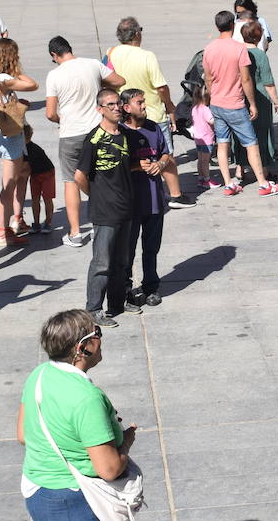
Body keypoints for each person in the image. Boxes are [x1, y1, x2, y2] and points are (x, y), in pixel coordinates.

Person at [19, 309, 135, 521]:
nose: (101, 339)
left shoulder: (39, 376)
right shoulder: (86, 398)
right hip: (76, 504)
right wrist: (125, 446)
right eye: (97, 332)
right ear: (83, 347)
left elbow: (23, 435)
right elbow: (109, 469)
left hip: (39, 494)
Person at [76, 88, 147, 328]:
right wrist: (95, 195)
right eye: (110, 105)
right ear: (100, 110)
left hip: (125, 207)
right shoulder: (93, 139)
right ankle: (93, 309)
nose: (116, 108)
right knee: (102, 262)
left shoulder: (125, 136)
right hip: (105, 211)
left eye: (118, 104)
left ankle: (116, 303)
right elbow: (79, 176)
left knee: (121, 261)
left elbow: (124, 167)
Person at [104, 17, 194, 207]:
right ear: (137, 33)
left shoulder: (110, 53)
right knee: (165, 154)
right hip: (150, 112)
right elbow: (161, 87)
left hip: (125, 114)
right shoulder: (146, 56)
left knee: (130, 155)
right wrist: (169, 106)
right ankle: (176, 195)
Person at [46, 36, 126, 247]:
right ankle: (108, 219)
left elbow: (50, 113)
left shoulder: (54, 75)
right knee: (102, 173)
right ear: (70, 49)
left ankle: (75, 232)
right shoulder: (92, 64)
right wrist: (99, 81)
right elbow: (120, 81)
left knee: (71, 181)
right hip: (96, 131)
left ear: (55, 55)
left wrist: (62, 119)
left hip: (70, 133)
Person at [202, 11, 278, 196]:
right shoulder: (238, 49)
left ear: (217, 27)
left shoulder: (209, 49)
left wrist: (211, 97)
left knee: (223, 144)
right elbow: (246, 79)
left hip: (217, 103)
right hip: (235, 104)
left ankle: (229, 183)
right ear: (233, 25)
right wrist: (252, 104)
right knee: (251, 143)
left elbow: (208, 78)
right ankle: (263, 184)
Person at [0, 38, 40, 246]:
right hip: (9, 134)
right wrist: (15, 70)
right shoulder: (4, 78)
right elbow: (33, 84)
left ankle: (13, 222)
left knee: (17, 176)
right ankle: (3, 231)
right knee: (9, 183)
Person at [118, 89, 171, 309]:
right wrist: (135, 166)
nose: (144, 105)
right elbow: (114, 167)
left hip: (154, 200)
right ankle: (126, 288)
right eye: (139, 102)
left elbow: (166, 153)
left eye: (143, 101)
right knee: (127, 249)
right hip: (130, 203)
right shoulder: (119, 132)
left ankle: (151, 287)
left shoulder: (154, 128)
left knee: (151, 247)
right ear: (126, 108)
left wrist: (160, 164)